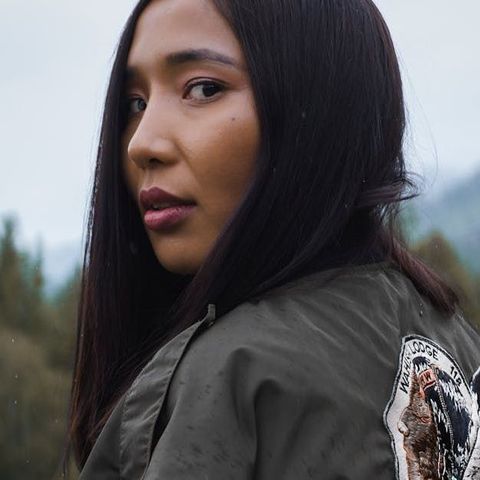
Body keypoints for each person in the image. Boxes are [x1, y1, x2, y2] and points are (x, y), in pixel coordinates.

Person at [64, 0, 480, 478]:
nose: (142, 142)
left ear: (319, 107)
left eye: (203, 88)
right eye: (135, 103)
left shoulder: (236, 373)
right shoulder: (457, 343)